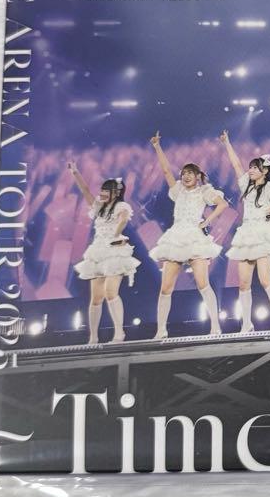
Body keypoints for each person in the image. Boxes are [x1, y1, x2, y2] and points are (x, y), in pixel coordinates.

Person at [148, 131, 227, 338]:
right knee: (166, 287)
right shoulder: (178, 191)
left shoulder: (204, 191)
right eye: (183, 173)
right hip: (175, 238)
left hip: (194, 238)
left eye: (190, 173)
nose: (186, 176)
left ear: (198, 176)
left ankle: (215, 326)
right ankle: (161, 330)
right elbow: (166, 170)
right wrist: (157, 147)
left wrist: (206, 222)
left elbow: (222, 204)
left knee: (202, 283)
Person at [220, 131, 270, 332]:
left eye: (254, 167)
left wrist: (267, 211)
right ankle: (247, 324)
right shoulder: (247, 186)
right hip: (246, 234)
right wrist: (227, 143)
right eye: (250, 167)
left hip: (263, 234)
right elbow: (236, 165)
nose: (250, 170)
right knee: (243, 283)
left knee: (265, 279)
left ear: (264, 171)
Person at [67, 164, 140, 344]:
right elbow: (85, 189)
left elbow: (123, 219)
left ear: (116, 193)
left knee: (110, 292)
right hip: (98, 251)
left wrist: (116, 233)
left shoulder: (121, 206)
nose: (102, 193)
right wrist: (75, 172)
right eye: (102, 190)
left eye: (106, 190)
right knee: (96, 298)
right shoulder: (98, 207)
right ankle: (93, 337)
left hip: (115, 251)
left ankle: (119, 333)